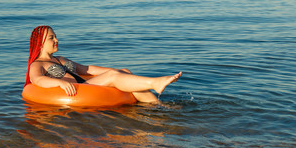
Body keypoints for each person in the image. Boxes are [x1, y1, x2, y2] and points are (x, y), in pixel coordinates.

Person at [25, 26, 182, 103]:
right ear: (40, 43)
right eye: (51, 38)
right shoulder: (38, 64)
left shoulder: (60, 59)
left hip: (84, 84)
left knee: (124, 71)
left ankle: (157, 105)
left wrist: (116, 70)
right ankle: (155, 82)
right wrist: (59, 83)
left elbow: (88, 69)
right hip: (79, 90)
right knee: (114, 77)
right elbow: (37, 80)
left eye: (56, 37)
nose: (57, 40)